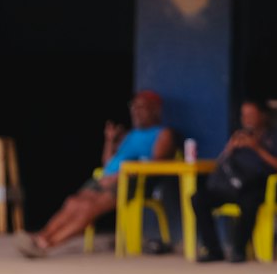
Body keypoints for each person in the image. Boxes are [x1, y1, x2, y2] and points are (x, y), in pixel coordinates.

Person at [21, 90, 176, 257]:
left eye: (142, 107)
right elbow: (108, 162)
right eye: (134, 106)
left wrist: (120, 175)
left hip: (129, 182)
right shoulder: (130, 135)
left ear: (155, 109)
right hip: (104, 177)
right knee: (73, 202)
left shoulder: (163, 134)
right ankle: (40, 237)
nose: (136, 111)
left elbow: (156, 163)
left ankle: (46, 245)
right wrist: (110, 140)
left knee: (87, 208)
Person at [193, 99, 277, 263]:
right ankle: (213, 250)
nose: (247, 119)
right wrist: (229, 148)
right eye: (244, 115)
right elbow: (220, 164)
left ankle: (238, 250)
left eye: (251, 114)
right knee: (199, 198)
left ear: (263, 115)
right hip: (233, 184)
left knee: (249, 202)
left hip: (260, 184)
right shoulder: (240, 135)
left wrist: (256, 148)